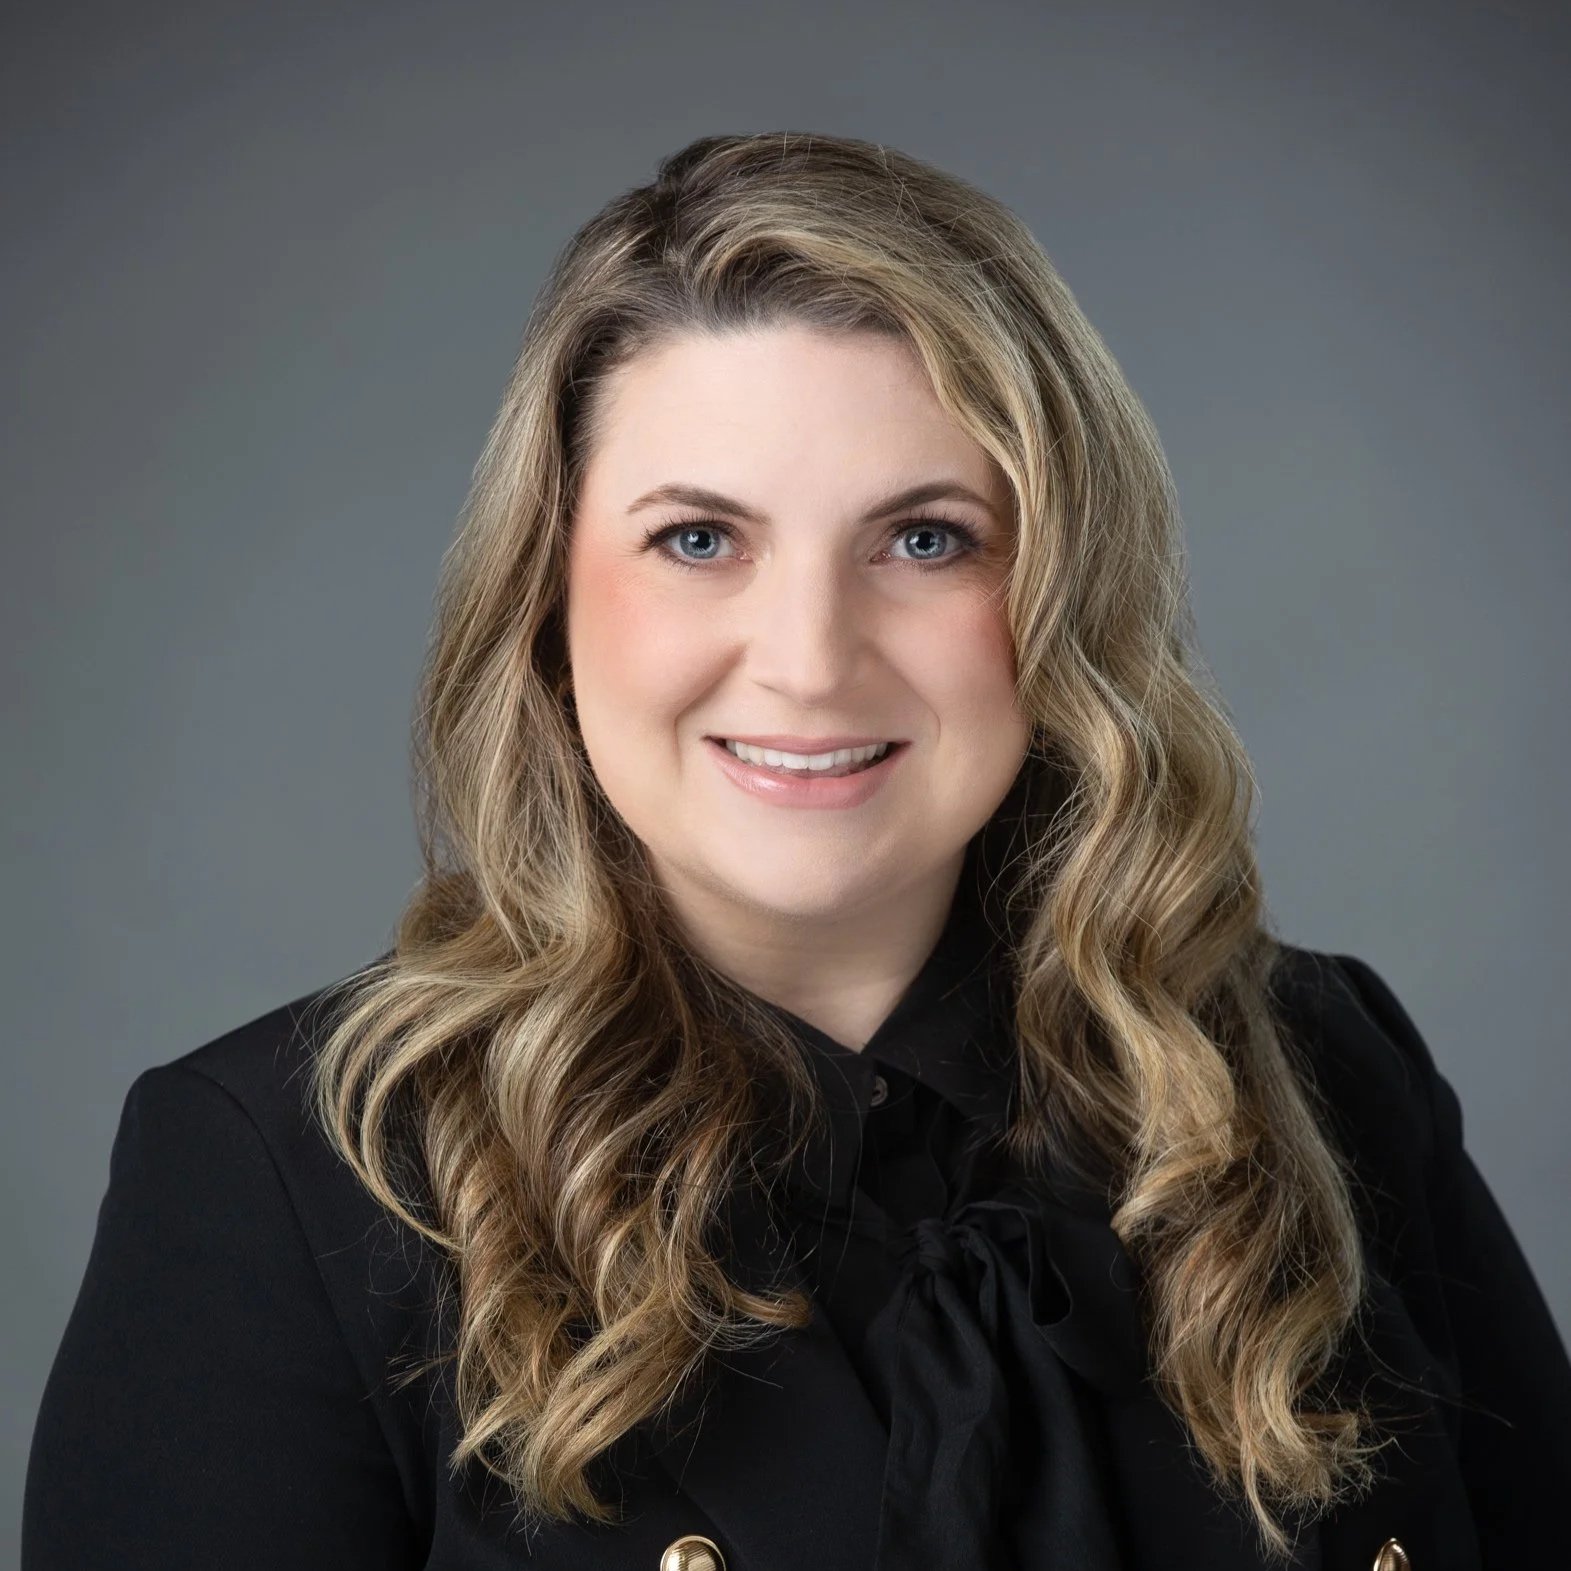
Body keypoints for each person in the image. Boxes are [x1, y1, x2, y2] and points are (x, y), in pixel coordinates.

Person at [22, 130, 1570, 1571]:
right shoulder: (285, 1178)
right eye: (700, 540)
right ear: (549, 608)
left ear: (1059, 600)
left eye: (925, 538)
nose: (811, 661)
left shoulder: (1325, 1068)